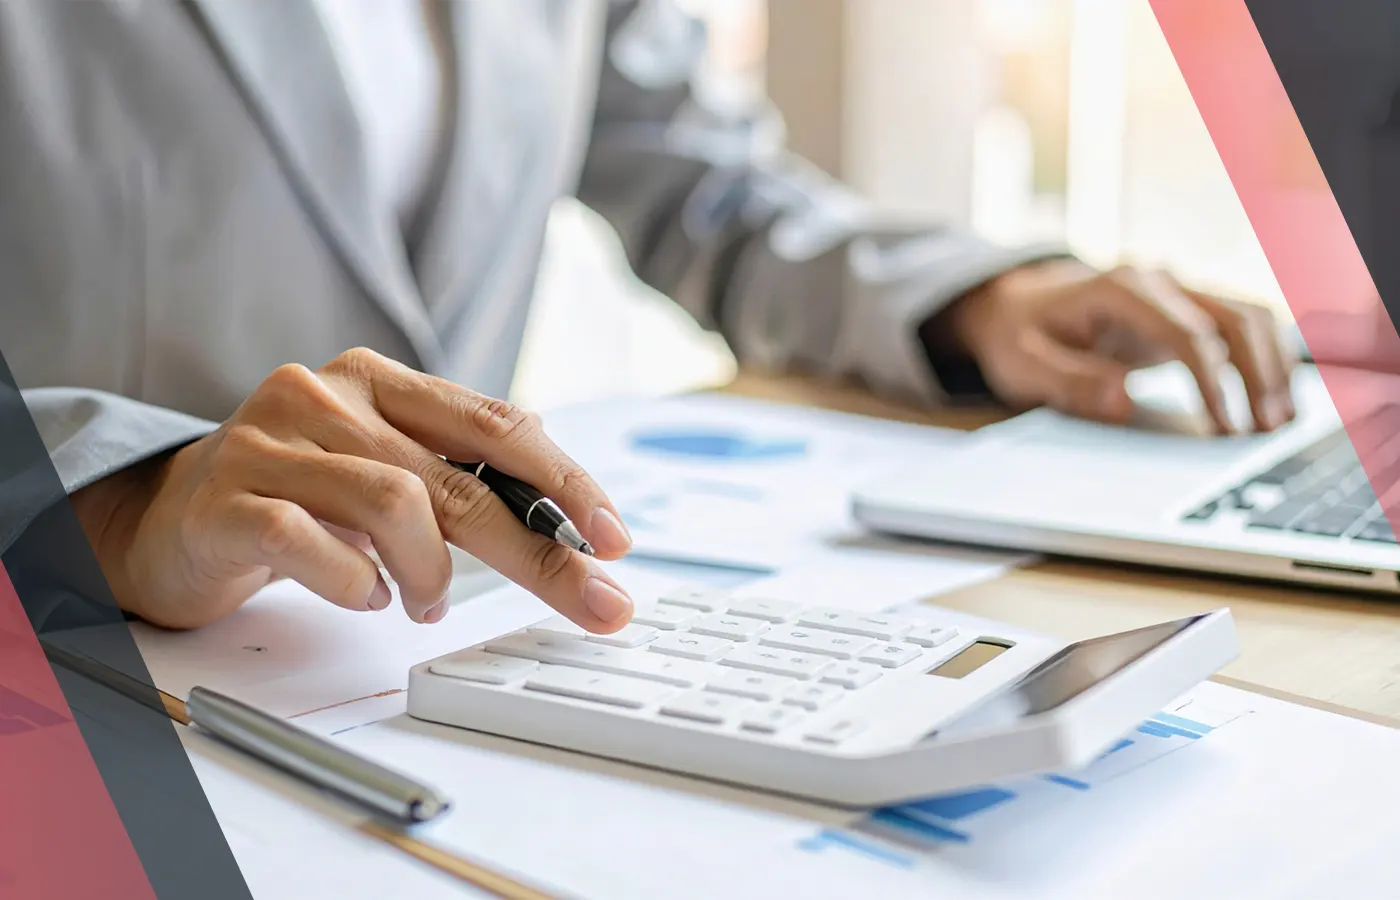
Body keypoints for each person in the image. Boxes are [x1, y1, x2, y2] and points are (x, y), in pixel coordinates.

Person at [0, 0, 1297, 634]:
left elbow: (699, 181)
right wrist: (117, 494)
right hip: (86, 688)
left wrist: (970, 300)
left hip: (426, 679)